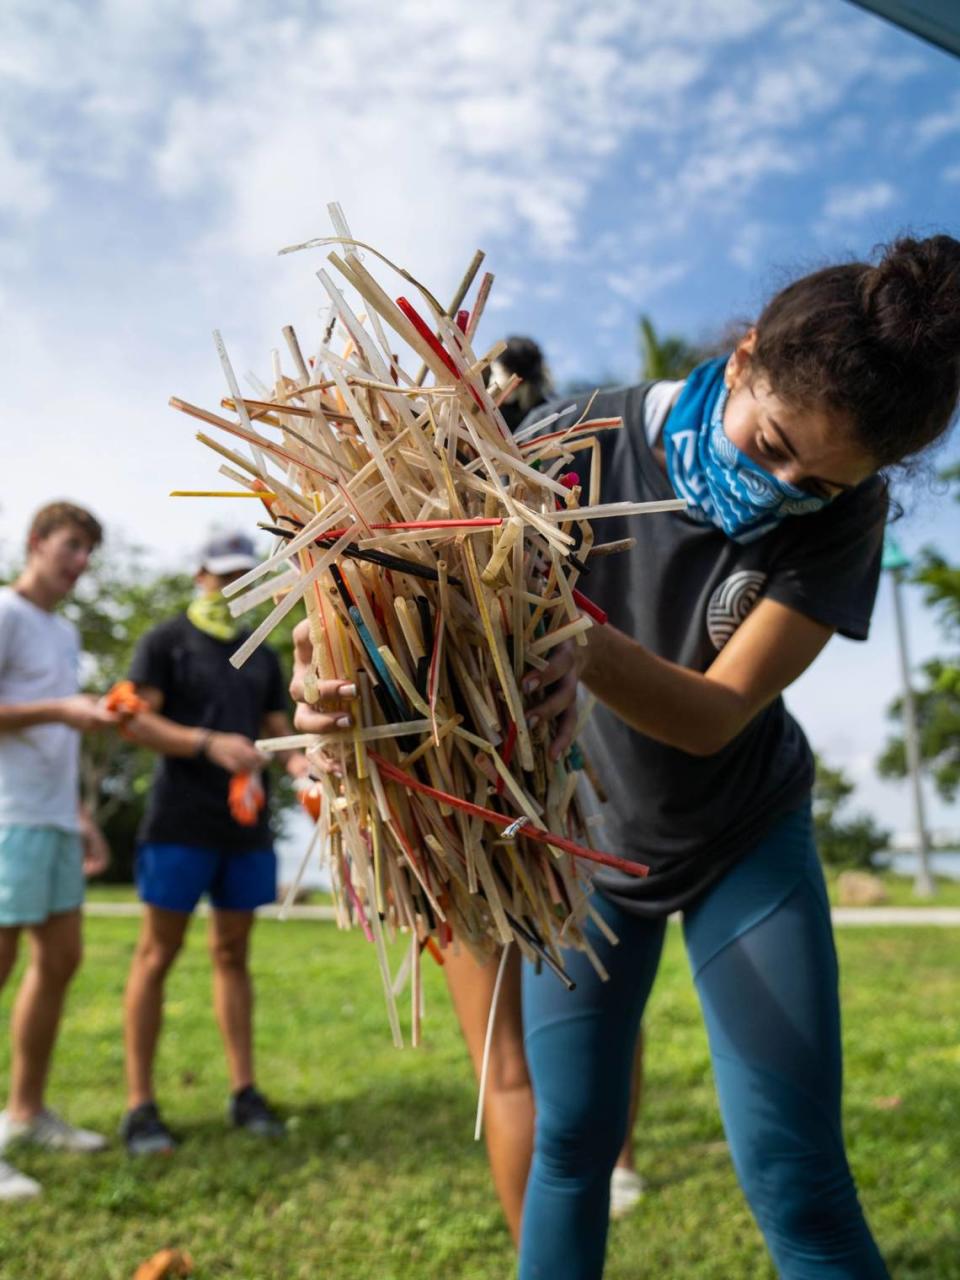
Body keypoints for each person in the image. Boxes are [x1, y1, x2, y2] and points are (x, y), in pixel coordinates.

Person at [292, 232, 960, 1277]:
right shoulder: (574, 437)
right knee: (571, 1143)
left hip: (743, 837)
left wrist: (581, 639)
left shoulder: (848, 512)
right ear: (742, 359)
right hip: (591, 843)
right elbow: (402, 603)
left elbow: (713, 713)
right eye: (772, 440)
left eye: (819, 480)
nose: (783, 485)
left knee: (797, 1175)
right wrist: (342, 686)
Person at [118, 533, 311, 1156]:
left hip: (245, 825)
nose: (232, 586)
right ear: (200, 572)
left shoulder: (260, 652)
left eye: (244, 576)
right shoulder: (166, 640)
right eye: (223, 573)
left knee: (233, 954)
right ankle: (140, 1106)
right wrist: (206, 743)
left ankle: (244, 1091)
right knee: (157, 953)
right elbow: (136, 718)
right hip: (180, 820)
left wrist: (312, 771)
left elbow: (279, 732)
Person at [0, 501, 118, 1201]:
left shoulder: (64, 632)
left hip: (52, 818)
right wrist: (63, 711)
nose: (79, 563)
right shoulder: (7, 613)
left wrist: (82, 817)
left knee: (62, 958)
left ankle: (25, 1113)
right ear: (36, 542)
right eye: (71, 546)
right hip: (7, 818)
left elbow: (58, 740)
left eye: (87, 553)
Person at [487, 335, 554, 433]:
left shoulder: (542, 416)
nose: (491, 380)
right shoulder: (486, 405)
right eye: (492, 373)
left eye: (497, 373)